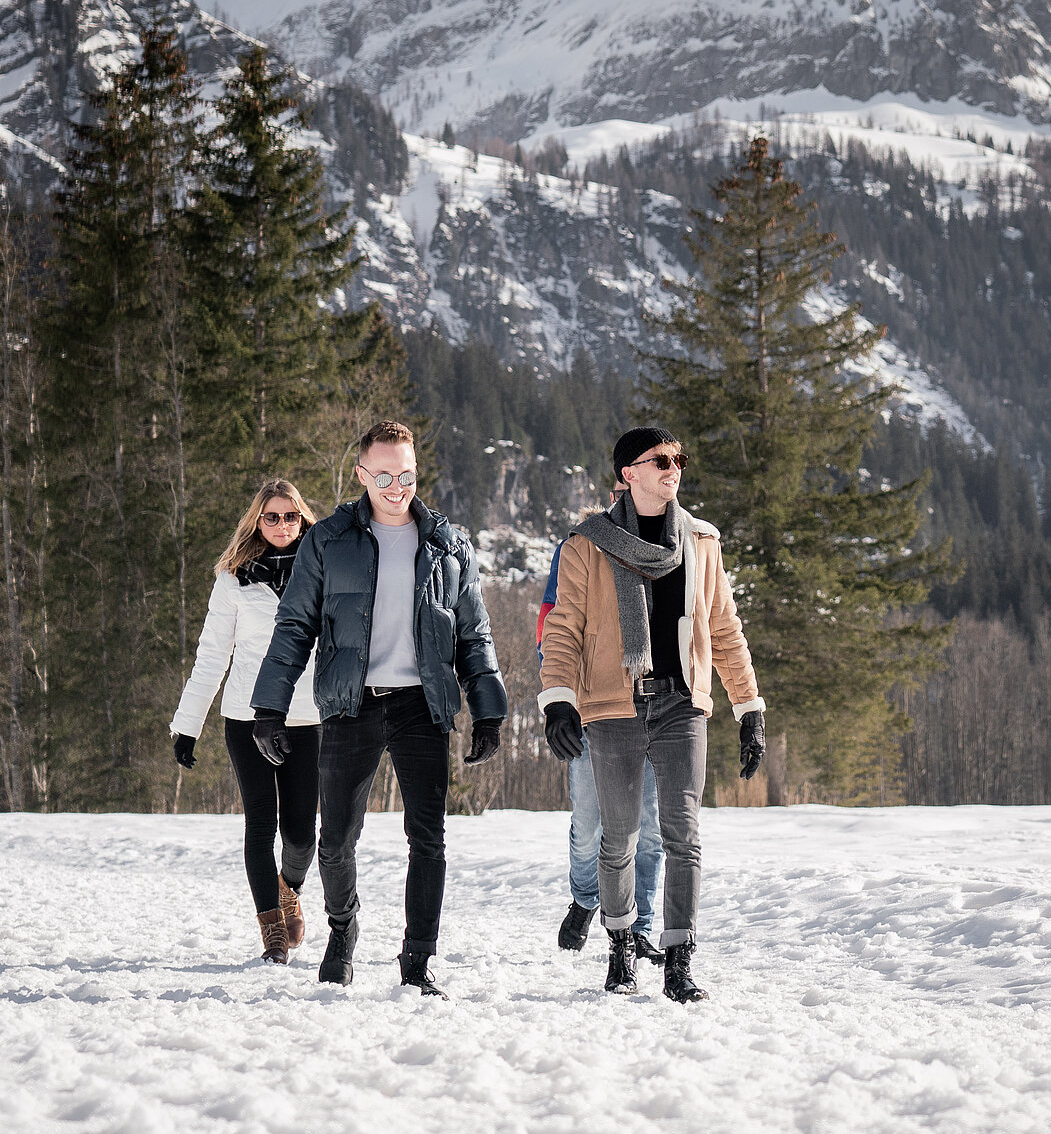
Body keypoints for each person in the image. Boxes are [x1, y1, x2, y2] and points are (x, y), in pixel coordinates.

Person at [251, 420, 507, 997]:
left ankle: (417, 960)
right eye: (385, 474)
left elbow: (474, 633)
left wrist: (488, 709)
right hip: (351, 705)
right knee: (336, 838)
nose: (397, 485)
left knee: (429, 838)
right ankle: (342, 931)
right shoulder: (328, 540)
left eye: (408, 474)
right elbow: (295, 626)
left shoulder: (448, 543)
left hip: (422, 706)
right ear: (362, 473)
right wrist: (269, 706)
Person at [538, 425, 767, 1003]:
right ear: (627, 474)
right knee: (617, 838)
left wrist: (748, 706)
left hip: (681, 703)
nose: (673, 468)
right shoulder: (586, 544)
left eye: (678, 459)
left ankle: (678, 960)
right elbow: (564, 628)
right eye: (660, 460)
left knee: (682, 836)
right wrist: (558, 700)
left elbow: (724, 629)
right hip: (612, 704)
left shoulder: (702, 543)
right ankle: (619, 948)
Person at [169, 479, 323, 964]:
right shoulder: (233, 579)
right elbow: (212, 656)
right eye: (271, 517)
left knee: (301, 832)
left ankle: (288, 889)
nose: (281, 525)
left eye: (290, 516)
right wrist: (187, 724)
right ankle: (272, 933)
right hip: (247, 716)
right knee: (261, 823)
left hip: (308, 716)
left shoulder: (325, 570)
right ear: (257, 520)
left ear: (303, 519)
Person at [538, 514, 665, 961]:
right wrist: (561, 699)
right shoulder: (581, 548)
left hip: (652, 710)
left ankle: (639, 926)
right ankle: (586, 898)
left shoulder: (666, 547)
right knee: (591, 826)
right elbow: (553, 628)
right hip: (594, 709)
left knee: (648, 830)